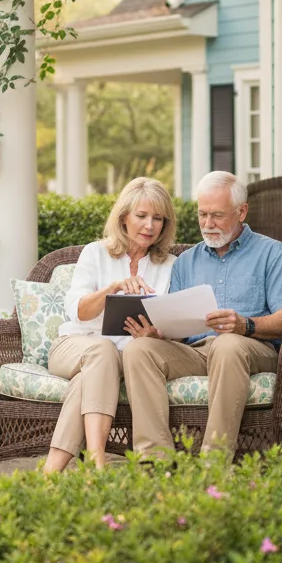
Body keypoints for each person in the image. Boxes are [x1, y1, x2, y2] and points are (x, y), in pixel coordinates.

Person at [122, 170, 282, 459]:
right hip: (196, 351)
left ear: (242, 211)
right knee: (139, 350)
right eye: (202, 214)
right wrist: (157, 333)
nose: (208, 224)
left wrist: (245, 324)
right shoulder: (186, 261)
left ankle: (214, 462)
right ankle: (155, 462)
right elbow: (177, 326)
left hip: (251, 349)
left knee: (227, 343)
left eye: (217, 215)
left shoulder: (272, 253)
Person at [42, 176, 177, 472]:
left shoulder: (169, 266)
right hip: (73, 348)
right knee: (101, 350)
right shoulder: (95, 253)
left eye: (158, 219)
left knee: (86, 382)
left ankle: (50, 473)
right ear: (124, 217)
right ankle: (96, 460)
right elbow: (79, 311)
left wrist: (153, 334)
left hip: (117, 360)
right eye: (141, 216)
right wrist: (112, 289)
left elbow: (170, 321)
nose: (149, 226)